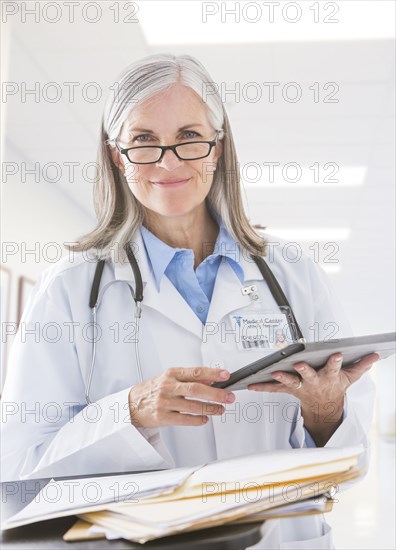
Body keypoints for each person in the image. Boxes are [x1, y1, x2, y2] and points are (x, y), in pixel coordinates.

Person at [1, 54, 378, 549]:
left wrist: (326, 413)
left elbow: (349, 464)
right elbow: (18, 474)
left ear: (218, 147)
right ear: (116, 156)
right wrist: (127, 414)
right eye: (143, 141)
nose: (168, 161)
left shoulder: (293, 273)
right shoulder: (71, 289)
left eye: (188, 137)